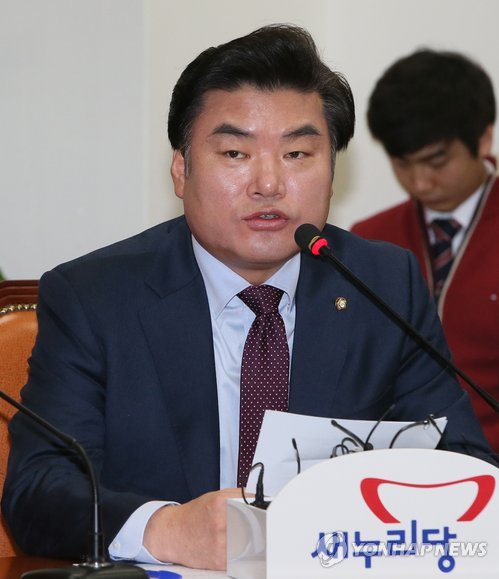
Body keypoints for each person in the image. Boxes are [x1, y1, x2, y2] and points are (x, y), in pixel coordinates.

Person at [2, 26, 495, 572]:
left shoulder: (383, 284)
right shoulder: (95, 297)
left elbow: (465, 469)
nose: (268, 183)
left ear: (333, 173)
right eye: (235, 152)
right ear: (181, 169)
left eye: (298, 153)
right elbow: (38, 492)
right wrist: (167, 528)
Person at [350, 49, 499, 452]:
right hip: (400, 466)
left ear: (483, 137)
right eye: (402, 163)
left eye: (436, 161)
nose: (420, 182)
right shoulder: (370, 240)